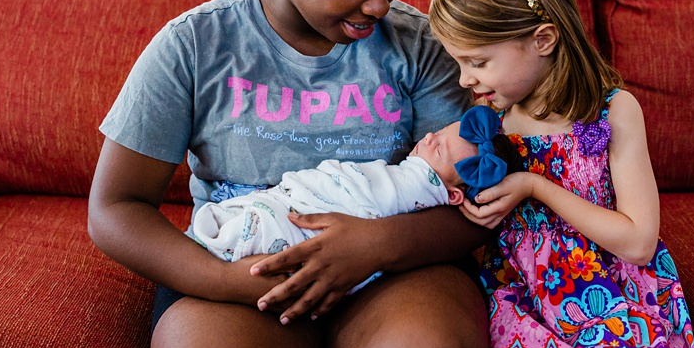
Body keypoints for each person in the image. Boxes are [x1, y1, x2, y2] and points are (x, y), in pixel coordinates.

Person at [87, 0, 491, 348]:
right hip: (244, 271)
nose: (379, 3)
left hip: (397, 264)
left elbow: (478, 198)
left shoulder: (416, 45)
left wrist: (375, 246)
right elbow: (115, 209)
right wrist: (227, 281)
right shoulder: (195, 45)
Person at [425, 0, 694, 348]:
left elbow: (639, 242)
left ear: (543, 39)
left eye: (477, 62)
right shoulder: (490, 119)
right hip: (520, 298)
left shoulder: (613, 111)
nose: (465, 79)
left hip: (609, 291)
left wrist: (533, 186)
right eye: (458, 62)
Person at [191, 105, 521, 266]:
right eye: (437, 133)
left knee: (278, 228)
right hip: (303, 194)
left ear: (452, 194)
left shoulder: (417, 186)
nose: (429, 137)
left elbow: (375, 201)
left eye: (438, 148)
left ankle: (244, 231)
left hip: (328, 223)